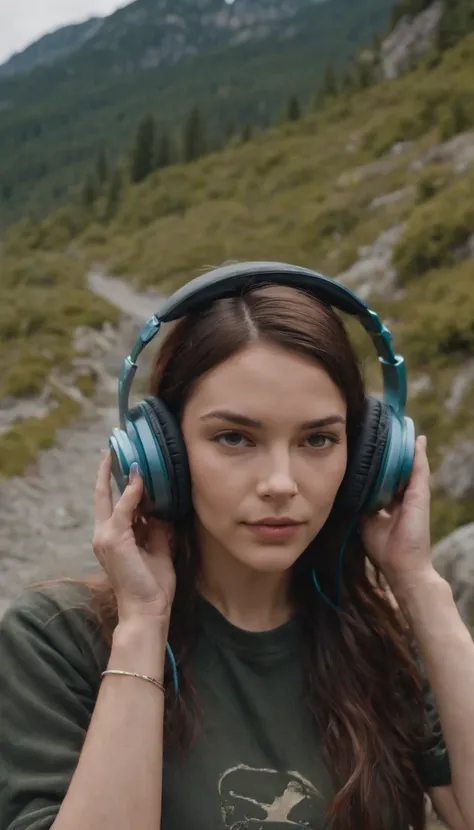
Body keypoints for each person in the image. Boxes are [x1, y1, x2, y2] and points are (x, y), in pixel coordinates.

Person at [0, 264, 473, 830]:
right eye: (235, 438)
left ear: (368, 462)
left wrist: (419, 586)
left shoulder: (387, 641)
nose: (281, 482)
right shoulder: (56, 643)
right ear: (159, 454)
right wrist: (142, 628)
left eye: (318, 439)